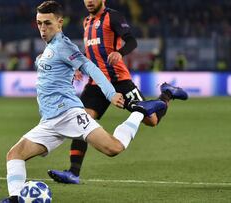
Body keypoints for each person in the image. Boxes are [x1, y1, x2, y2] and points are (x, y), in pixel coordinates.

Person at [0, 1, 166, 202]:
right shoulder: (50, 49)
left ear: (59, 23)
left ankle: (140, 111)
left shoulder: (63, 45)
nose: (43, 28)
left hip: (69, 114)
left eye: (48, 23)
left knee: (113, 148)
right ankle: (16, 198)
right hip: (49, 121)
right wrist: (41, 60)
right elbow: (53, 65)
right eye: (39, 23)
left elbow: (91, 67)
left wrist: (110, 93)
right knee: (14, 154)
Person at [47, 0, 188, 184]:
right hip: (96, 83)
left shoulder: (113, 17)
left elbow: (132, 40)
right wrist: (77, 66)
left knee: (151, 120)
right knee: (81, 120)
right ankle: (73, 172)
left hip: (119, 81)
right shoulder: (86, 22)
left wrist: (120, 53)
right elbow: (90, 52)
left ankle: (167, 93)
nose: (89, 1)